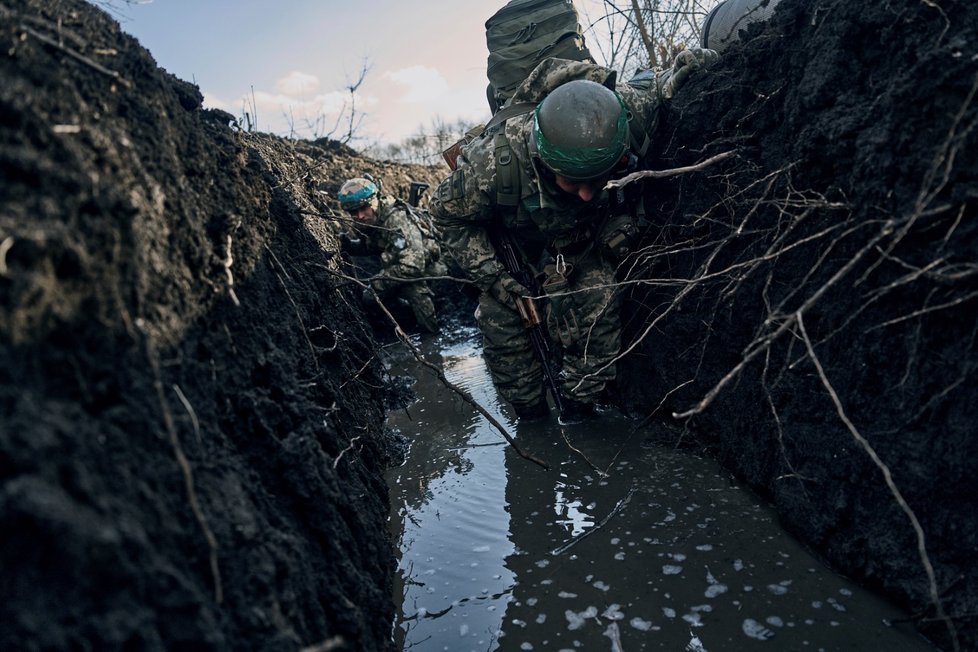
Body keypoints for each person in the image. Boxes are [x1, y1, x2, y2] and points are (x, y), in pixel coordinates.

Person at [429, 50, 716, 421]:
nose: (585, 194)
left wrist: (683, 71)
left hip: (584, 244)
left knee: (599, 301)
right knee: (502, 328)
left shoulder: (626, 114)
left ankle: (580, 411)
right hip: (520, 251)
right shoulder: (491, 166)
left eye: (596, 180)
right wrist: (498, 280)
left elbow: (659, 84)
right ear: (542, 159)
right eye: (571, 182)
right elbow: (445, 216)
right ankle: (530, 418)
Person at [338, 176, 446, 333]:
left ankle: (432, 335)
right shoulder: (372, 219)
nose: (360, 216)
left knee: (412, 288)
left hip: (432, 269)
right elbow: (374, 246)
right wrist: (350, 246)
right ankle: (407, 320)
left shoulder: (396, 220)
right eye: (353, 212)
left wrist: (377, 283)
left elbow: (413, 266)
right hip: (402, 265)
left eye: (364, 208)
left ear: (374, 200)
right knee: (372, 297)